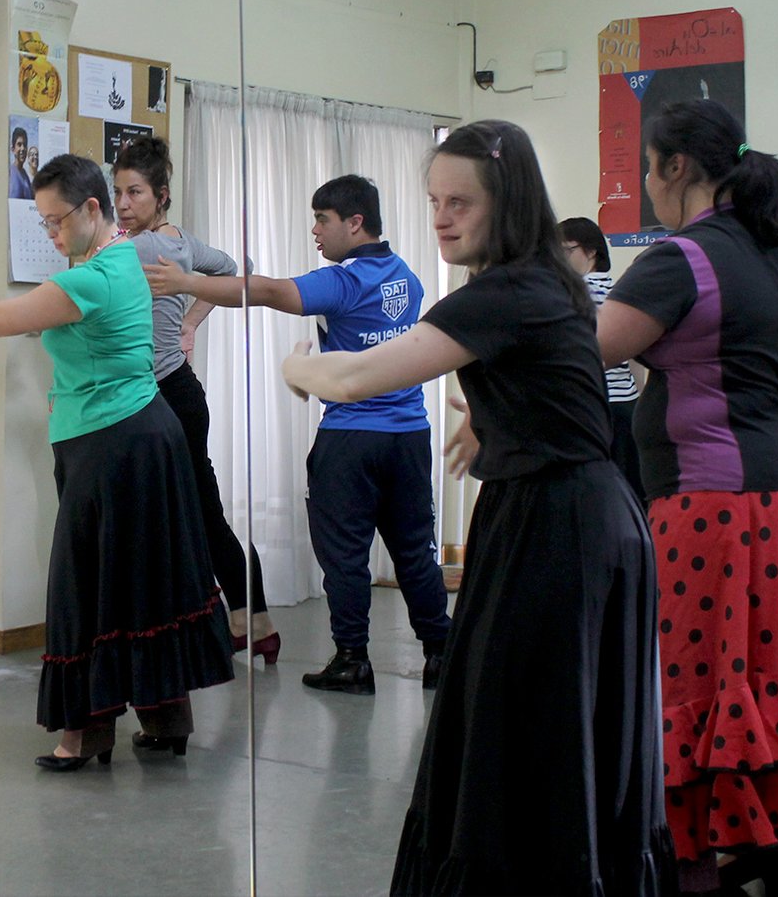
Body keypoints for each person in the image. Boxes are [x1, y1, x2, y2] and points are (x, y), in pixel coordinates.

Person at [283, 121, 671, 895]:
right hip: (569, 509)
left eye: (461, 201)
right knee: (536, 719)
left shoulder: (507, 288)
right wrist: (490, 421)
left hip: (560, 524)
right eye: (434, 200)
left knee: (525, 721)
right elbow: (547, 374)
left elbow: (363, 376)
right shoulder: (537, 278)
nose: (442, 216)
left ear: (508, 200)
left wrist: (302, 366)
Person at [598, 99, 778, 894]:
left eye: (649, 166)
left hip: (705, 505)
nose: (648, 183)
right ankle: (768, 835)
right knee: (768, 669)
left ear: (676, 167)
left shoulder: (677, 258)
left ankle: (694, 857)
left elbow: (584, 354)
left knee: (694, 679)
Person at [0, 154, 233, 769]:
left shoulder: (91, 279)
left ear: (91, 209)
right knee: (140, 582)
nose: (50, 234)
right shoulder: (122, 259)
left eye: (55, 221)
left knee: (86, 587)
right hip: (142, 435)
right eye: (42, 223)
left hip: (111, 446)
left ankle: (84, 732)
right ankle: (163, 718)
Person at [146, 175, 451, 695]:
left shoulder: (346, 280)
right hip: (409, 436)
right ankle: (441, 654)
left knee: (345, 556)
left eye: (323, 220)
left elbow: (267, 290)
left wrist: (189, 283)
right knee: (414, 552)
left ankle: (353, 659)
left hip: (352, 439)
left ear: (355, 223)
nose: (315, 230)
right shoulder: (408, 276)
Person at [112, 137, 279, 663]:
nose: (123, 204)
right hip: (177, 391)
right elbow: (236, 267)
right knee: (204, 512)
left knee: (190, 515)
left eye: (134, 193)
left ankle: (225, 622)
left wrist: (187, 320)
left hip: (164, 396)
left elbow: (73, 284)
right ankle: (257, 623)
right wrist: (189, 322)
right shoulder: (179, 242)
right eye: (117, 192)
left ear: (161, 195)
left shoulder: (138, 248)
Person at [559, 215, 644, 500]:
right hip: (625, 407)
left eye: (565, 251)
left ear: (591, 251)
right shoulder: (620, 292)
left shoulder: (577, 293)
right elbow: (636, 362)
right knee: (627, 495)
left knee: (592, 497)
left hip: (593, 408)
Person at [9, 126, 33, 199]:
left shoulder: (25, 175)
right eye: (19, 145)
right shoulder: (10, 173)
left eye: (24, 145)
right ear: (13, 149)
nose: (22, 149)